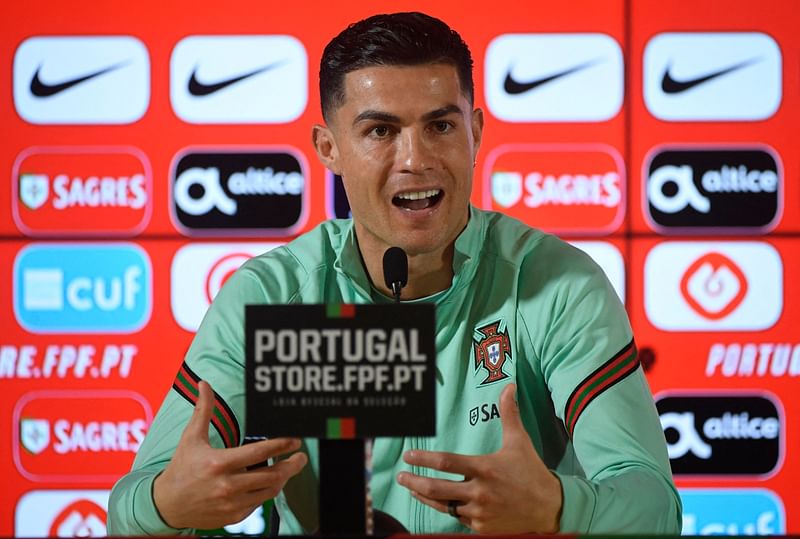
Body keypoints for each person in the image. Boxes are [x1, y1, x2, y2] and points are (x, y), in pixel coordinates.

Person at [108, 11, 681, 535]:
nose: (415, 158)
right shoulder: (273, 297)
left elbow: (654, 504)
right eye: (381, 131)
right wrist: (167, 506)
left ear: (476, 133)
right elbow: (127, 512)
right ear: (328, 148)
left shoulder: (556, 286)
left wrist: (559, 508)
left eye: (441, 126)